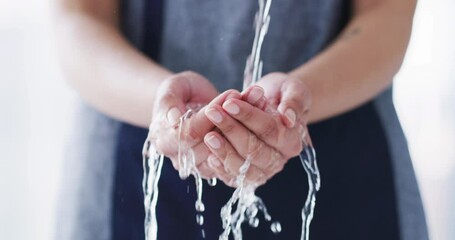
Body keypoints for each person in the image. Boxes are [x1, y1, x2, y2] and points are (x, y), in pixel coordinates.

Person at [54, 0, 428, 239]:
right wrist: (162, 105)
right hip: (134, 153)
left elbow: (386, 16)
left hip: (344, 162)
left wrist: (300, 99)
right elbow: (79, 19)